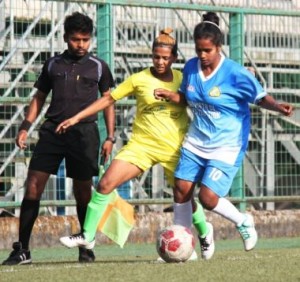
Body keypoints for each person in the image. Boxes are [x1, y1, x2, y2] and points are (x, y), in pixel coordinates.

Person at [56, 28, 215, 261]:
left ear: (174, 58)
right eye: (156, 56)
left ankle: (204, 231)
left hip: (175, 149)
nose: (160, 61)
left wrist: (175, 97)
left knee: (185, 199)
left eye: (165, 57)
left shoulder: (183, 79)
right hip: (141, 147)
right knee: (105, 184)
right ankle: (88, 236)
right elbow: (109, 98)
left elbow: (199, 97)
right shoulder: (139, 79)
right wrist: (76, 117)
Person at [154, 12, 294, 252]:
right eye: (198, 50)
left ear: (219, 47)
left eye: (207, 50)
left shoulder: (234, 73)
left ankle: (243, 221)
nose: (202, 55)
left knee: (207, 198)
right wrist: (172, 96)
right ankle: (184, 245)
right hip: (197, 140)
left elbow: (260, 98)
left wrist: (278, 107)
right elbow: (188, 99)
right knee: (181, 189)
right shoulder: (190, 68)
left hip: (226, 144)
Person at [2, 12, 115, 265]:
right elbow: (39, 98)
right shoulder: (53, 64)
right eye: (76, 39)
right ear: (66, 38)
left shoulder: (98, 66)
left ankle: (85, 246)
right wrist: (24, 126)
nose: (81, 44)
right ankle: (23, 250)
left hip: (84, 134)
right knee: (32, 186)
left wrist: (110, 136)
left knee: (83, 192)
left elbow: (108, 102)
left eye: (86, 39)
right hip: (52, 132)